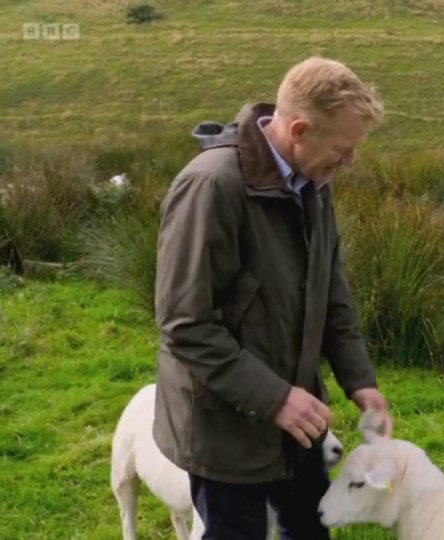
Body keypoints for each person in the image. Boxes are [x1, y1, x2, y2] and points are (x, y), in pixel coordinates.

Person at [152, 56, 393, 540]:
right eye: (343, 150)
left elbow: (332, 293)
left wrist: (358, 380)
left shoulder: (313, 181)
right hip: (225, 430)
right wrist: (276, 398)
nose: (349, 163)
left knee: (309, 530)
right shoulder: (212, 186)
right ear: (300, 129)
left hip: (296, 421)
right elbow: (185, 324)